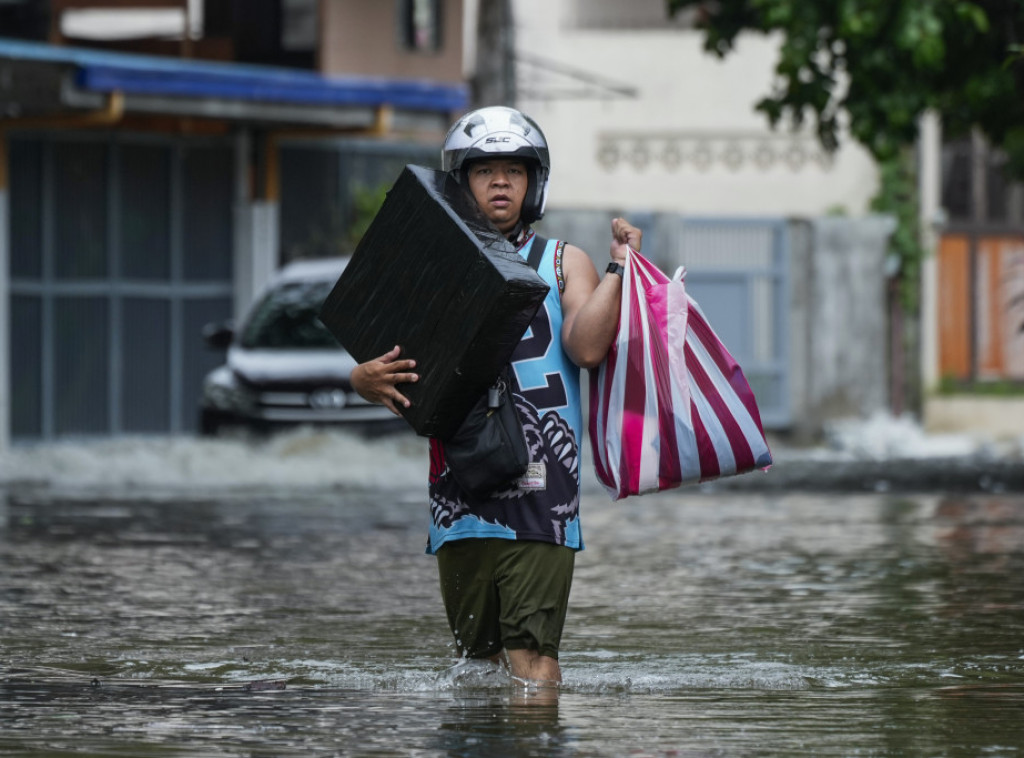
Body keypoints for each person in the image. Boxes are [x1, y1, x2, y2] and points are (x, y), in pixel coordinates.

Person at [350, 106, 642, 688]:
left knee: (531, 662)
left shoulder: (563, 262)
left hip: (542, 495)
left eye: (515, 170)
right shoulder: (429, 268)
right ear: (462, 183)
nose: (502, 181)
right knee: (476, 670)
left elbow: (586, 348)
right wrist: (361, 380)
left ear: (534, 183)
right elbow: (383, 362)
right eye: (486, 171)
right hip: (457, 495)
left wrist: (618, 269)